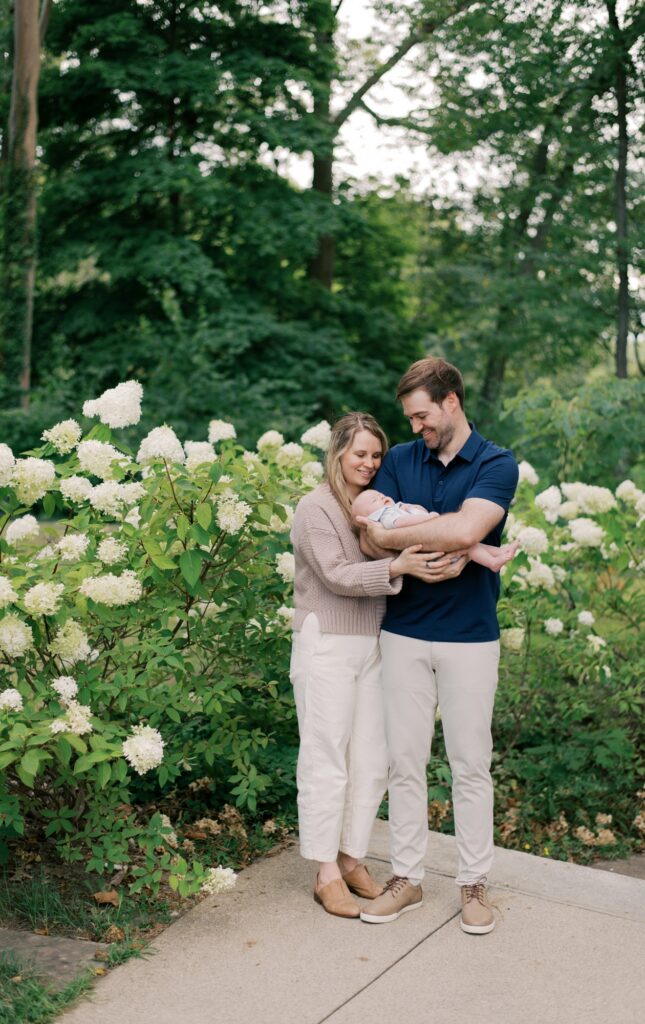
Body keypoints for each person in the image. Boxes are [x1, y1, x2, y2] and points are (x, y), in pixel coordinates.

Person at [356, 357, 519, 934]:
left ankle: (474, 883)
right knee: (405, 763)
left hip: (471, 639)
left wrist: (401, 535)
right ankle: (408, 878)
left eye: (422, 415)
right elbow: (370, 533)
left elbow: (465, 533)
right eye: (410, 418)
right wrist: (398, 545)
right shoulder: (400, 459)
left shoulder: (497, 463)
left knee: (470, 765)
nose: (416, 427)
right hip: (402, 633)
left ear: (451, 401)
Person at [289, 412, 453, 919]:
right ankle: (324, 871)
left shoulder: (374, 508)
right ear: (338, 452)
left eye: (376, 455)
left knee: (371, 759)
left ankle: (352, 856)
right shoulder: (315, 508)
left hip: (372, 643)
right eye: (360, 453)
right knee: (326, 756)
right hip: (327, 643)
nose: (369, 463)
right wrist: (397, 567)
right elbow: (337, 575)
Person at [351, 489, 518, 573]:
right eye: (374, 500)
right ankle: (492, 562)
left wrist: (412, 508)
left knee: (472, 544)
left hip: (433, 540)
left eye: (380, 494)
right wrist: (428, 518)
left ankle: (499, 552)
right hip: (434, 552)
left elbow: (415, 512)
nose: (381, 496)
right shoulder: (385, 516)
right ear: (372, 515)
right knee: (468, 546)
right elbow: (402, 523)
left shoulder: (396, 507)